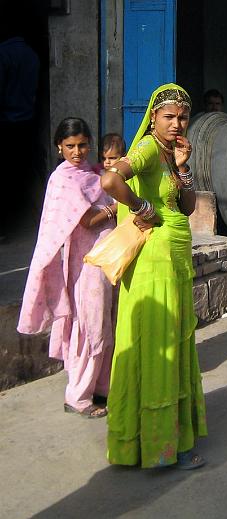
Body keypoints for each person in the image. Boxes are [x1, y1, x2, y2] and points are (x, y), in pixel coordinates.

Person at [101, 84, 207, 469]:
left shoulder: (169, 153)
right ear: (153, 117)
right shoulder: (147, 147)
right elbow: (110, 181)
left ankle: (156, 440)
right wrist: (141, 206)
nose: (177, 123)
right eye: (169, 117)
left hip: (173, 260)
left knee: (169, 344)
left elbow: (188, 206)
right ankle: (162, 448)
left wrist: (182, 168)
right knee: (158, 347)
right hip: (153, 262)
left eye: (182, 117)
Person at [18, 118, 117, 418]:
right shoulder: (63, 180)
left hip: (105, 258)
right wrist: (116, 208)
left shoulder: (92, 172)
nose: (77, 151)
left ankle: (101, 388)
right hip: (86, 263)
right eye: (71, 146)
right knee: (91, 326)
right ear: (59, 147)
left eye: (83, 145)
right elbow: (86, 220)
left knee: (104, 324)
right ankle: (78, 396)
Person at [0, 29, 39, 239]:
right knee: (19, 173)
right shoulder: (31, 54)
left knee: (5, 176)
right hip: (26, 121)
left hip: (6, 123)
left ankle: (5, 227)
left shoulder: (4, 53)